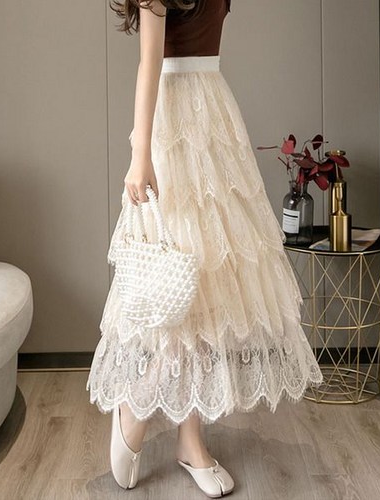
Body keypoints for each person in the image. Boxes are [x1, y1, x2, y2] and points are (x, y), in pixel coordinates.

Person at [85, 0, 324, 497]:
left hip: (213, 116)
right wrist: (140, 155)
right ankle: (137, 407)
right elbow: (149, 63)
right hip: (172, 125)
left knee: (213, 288)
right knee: (181, 284)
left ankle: (189, 438)